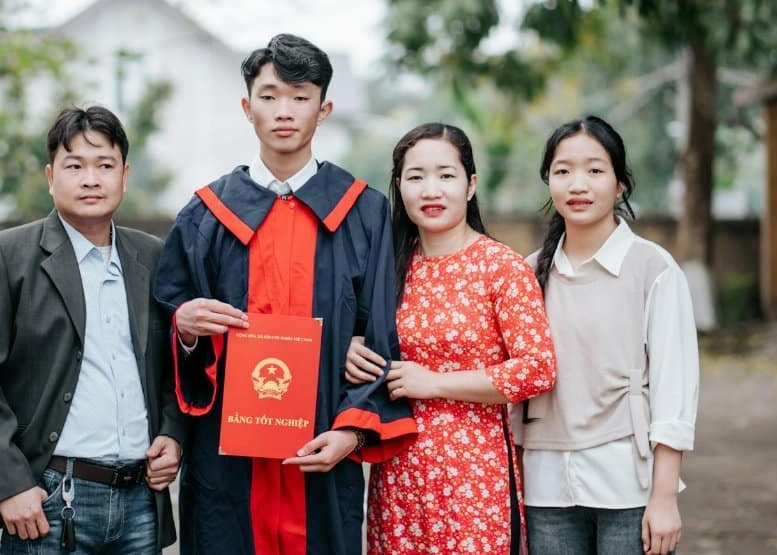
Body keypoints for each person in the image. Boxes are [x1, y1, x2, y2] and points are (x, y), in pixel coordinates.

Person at [153, 33, 418, 555]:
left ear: (325, 109)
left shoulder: (361, 213)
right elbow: (168, 320)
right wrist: (185, 331)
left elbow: (381, 336)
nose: (284, 111)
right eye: (270, 96)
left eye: (301, 97)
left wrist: (351, 433)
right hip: (228, 463)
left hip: (322, 448)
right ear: (247, 107)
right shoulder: (205, 215)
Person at [0, 105, 188, 554]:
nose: (91, 179)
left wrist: (173, 435)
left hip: (140, 502)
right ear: (50, 175)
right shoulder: (6, 256)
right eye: (74, 166)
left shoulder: (152, 256)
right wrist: (8, 486)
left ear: (125, 175)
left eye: (104, 166)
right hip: (50, 499)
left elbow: (176, 363)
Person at [343, 123, 558, 554]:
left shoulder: (500, 267)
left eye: (445, 175)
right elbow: (361, 343)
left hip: (475, 481)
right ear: (399, 186)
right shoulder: (388, 272)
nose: (430, 190)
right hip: (398, 478)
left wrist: (436, 382)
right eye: (416, 177)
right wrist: (348, 351)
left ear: (470, 184)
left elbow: (538, 369)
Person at [515, 115, 699, 555]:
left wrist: (665, 496)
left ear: (620, 185)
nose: (578, 184)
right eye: (563, 171)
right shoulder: (526, 273)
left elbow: (676, 391)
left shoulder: (654, 269)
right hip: (545, 485)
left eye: (595, 170)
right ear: (549, 183)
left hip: (628, 485)